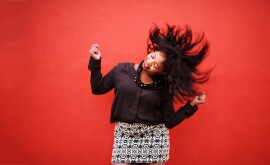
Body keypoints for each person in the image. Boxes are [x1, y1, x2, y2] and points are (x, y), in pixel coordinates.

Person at [88, 23, 214, 165]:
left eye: (156, 65)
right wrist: (95, 61)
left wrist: (192, 105)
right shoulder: (121, 70)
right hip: (124, 135)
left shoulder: (164, 87)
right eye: (153, 56)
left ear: (161, 72)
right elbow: (97, 88)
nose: (150, 62)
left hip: (155, 137)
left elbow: (169, 121)